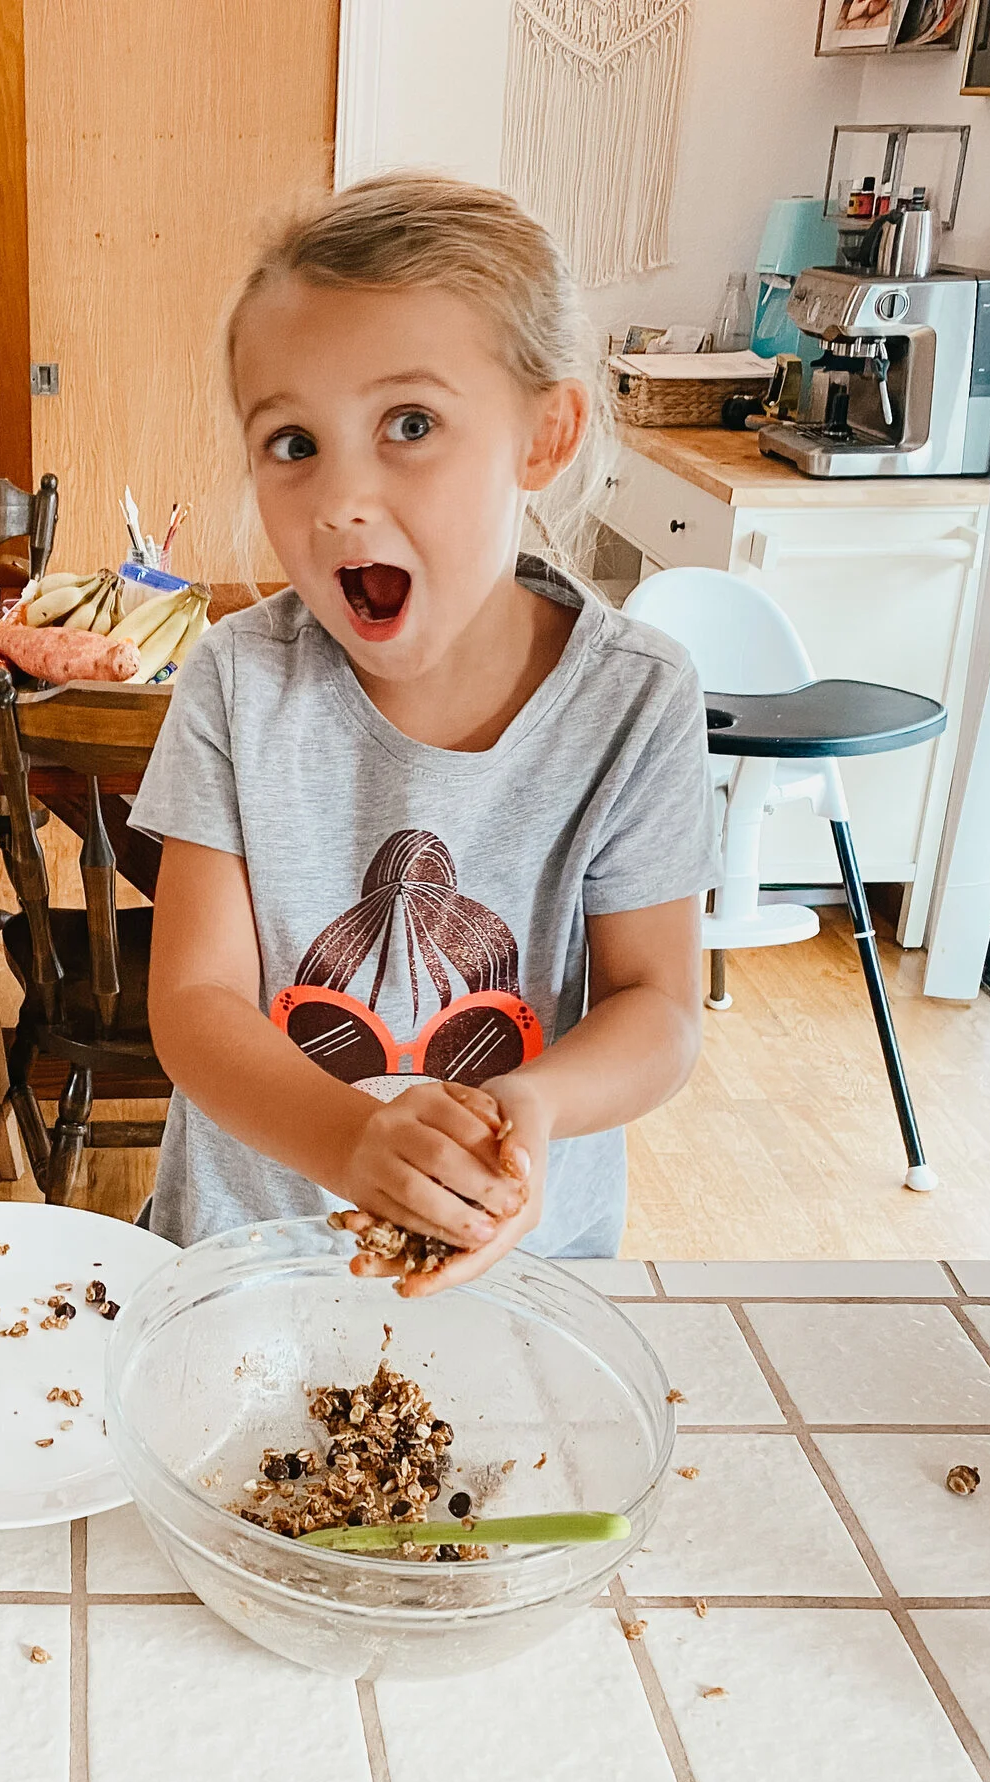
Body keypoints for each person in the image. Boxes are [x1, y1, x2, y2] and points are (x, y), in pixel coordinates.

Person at [132, 173, 714, 1294]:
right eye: (291, 442)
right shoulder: (237, 682)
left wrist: (531, 1101)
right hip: (246, 1265)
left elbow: (661, 1009)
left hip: (509, 1265)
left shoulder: (633, 699)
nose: (341, 498)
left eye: (409, 425)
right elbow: (195, 1007)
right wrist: (351, 1140)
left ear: (545, 435)